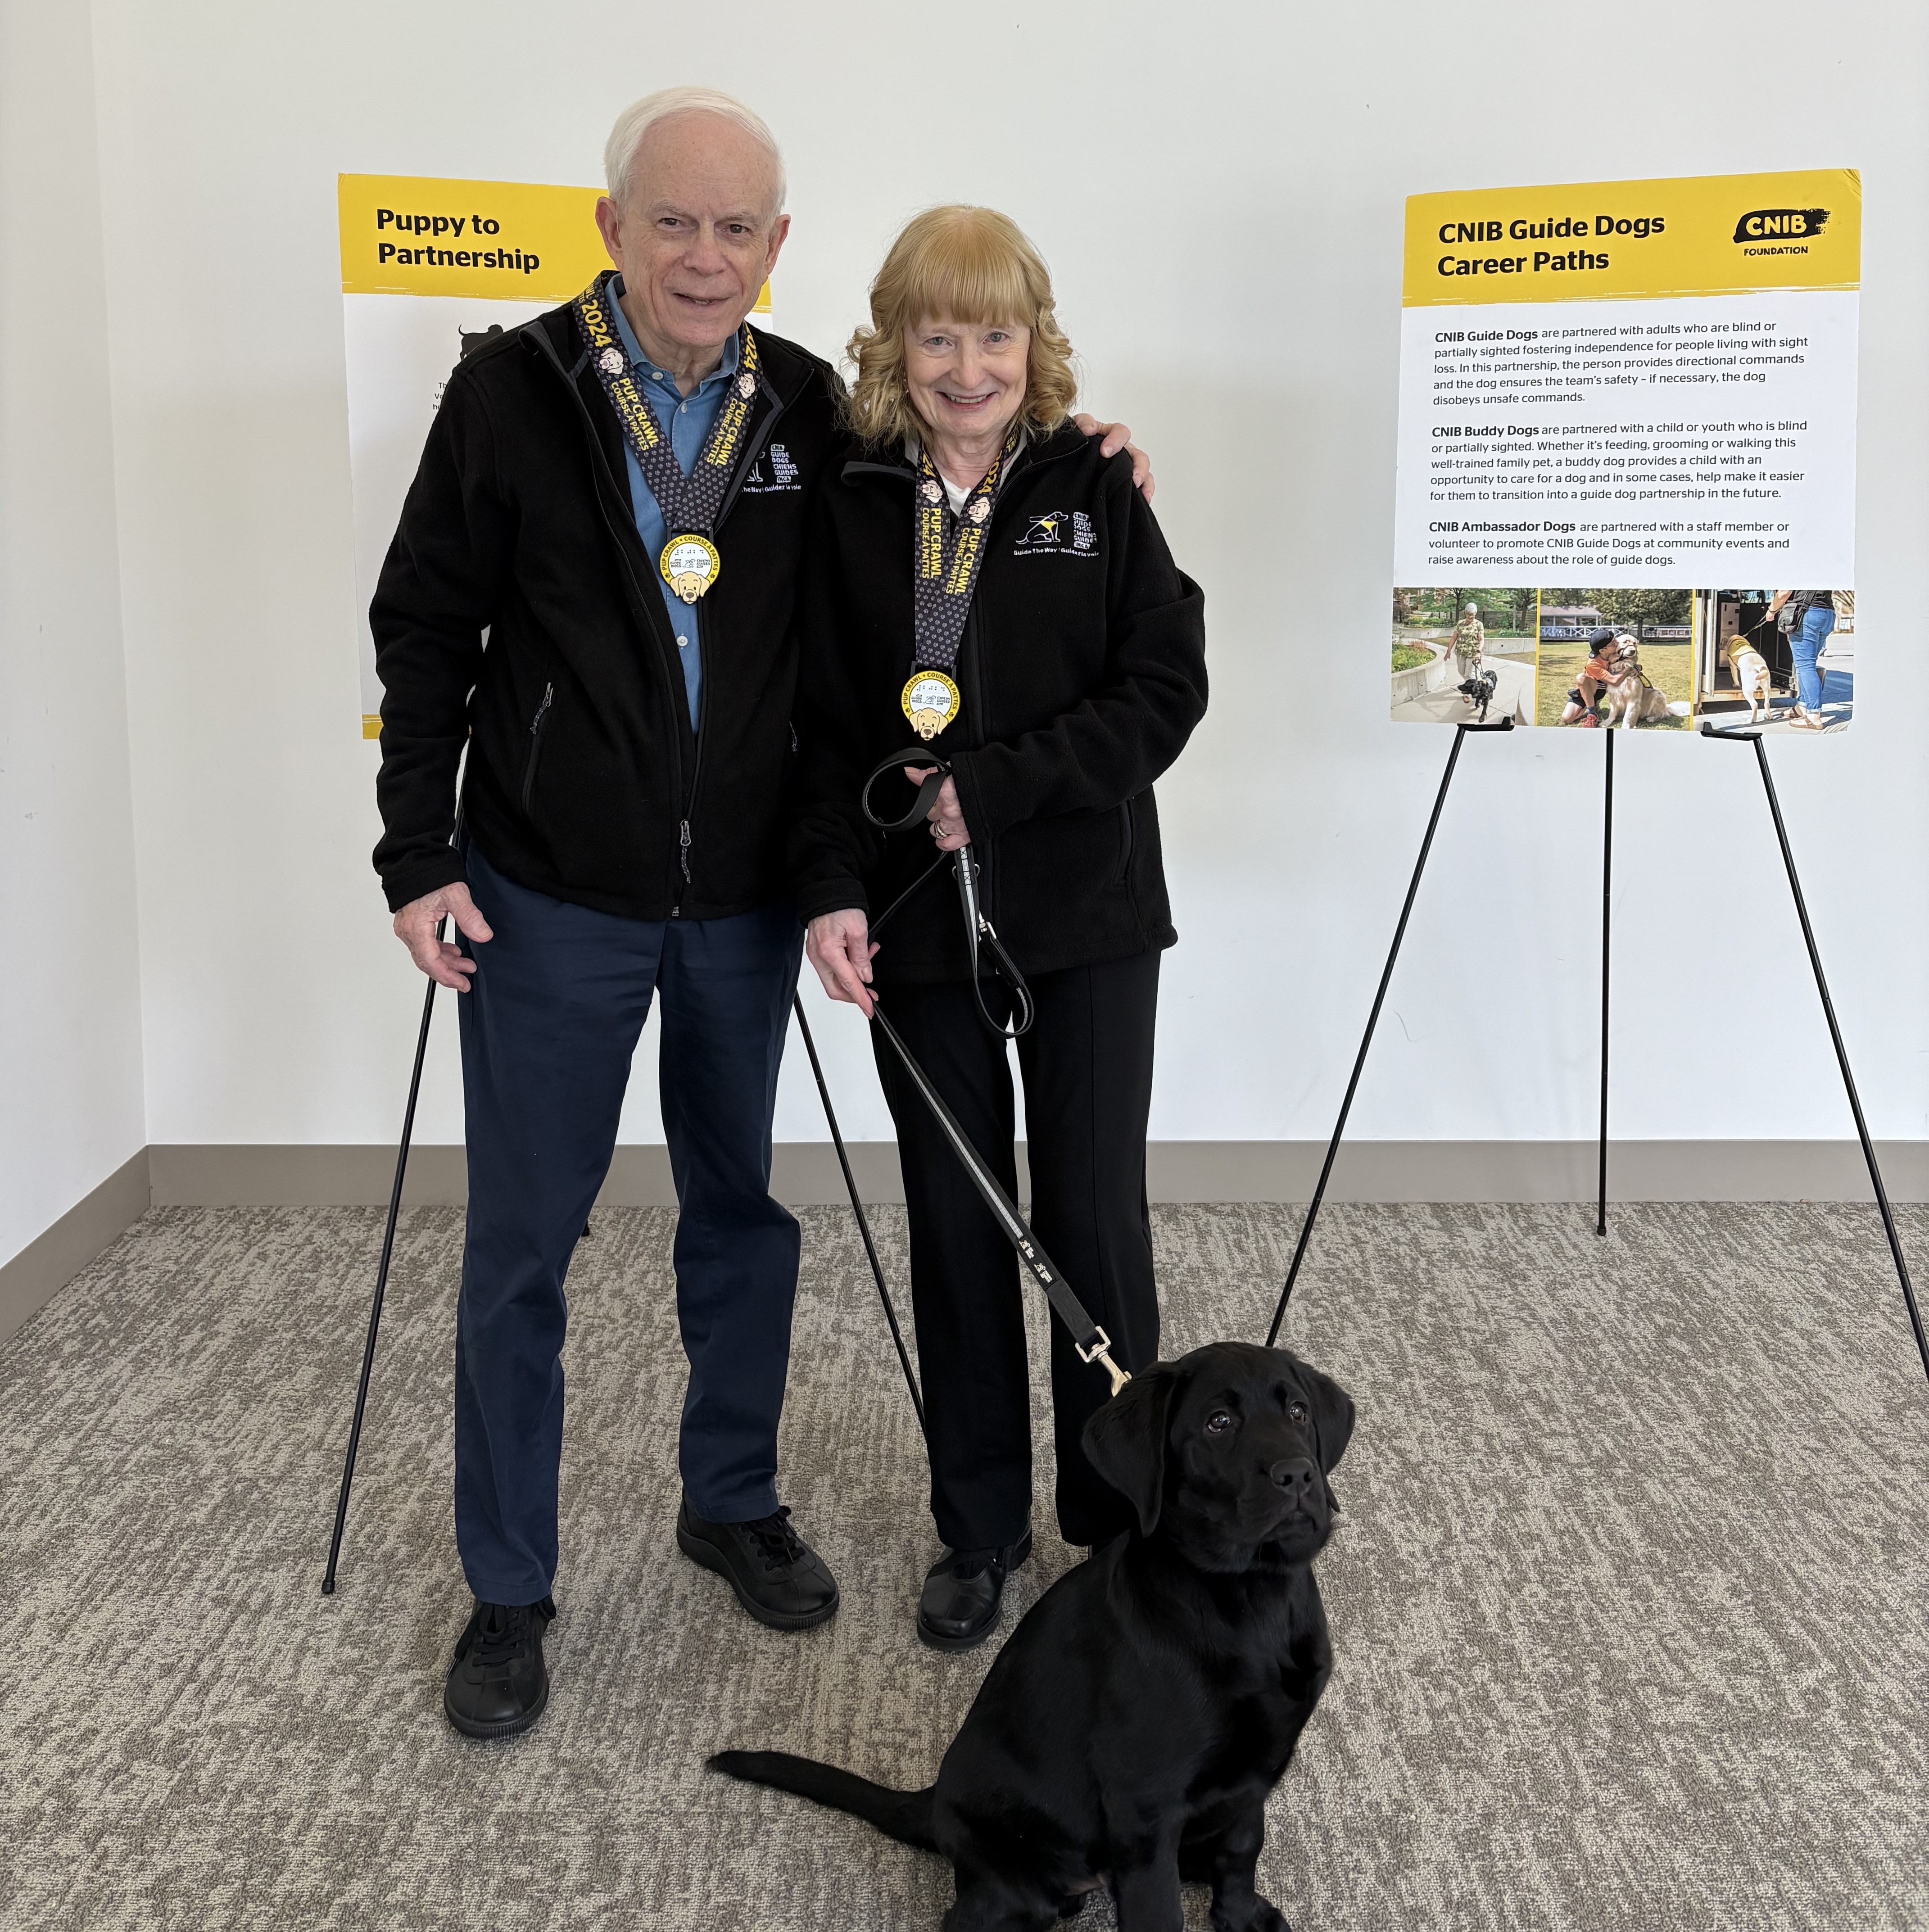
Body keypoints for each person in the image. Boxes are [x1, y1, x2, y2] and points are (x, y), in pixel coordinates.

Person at [371, 94, 1150, 1738]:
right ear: (613, 228)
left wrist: (1095, 460)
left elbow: (963, 502)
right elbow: (426, 621)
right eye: (673, 222)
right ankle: (507, 1589)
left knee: (742, 1221)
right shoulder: (507, 393)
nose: (704, 256)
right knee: (523, 1249)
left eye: (737, 229)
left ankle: (726, 1498)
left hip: (735, 901)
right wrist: (414, 850)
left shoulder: (814, 417)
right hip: (544, 895)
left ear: (776, 248)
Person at [793, 207, 1207, 1651]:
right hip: (916, 924)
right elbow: (821, 722)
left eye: (995, 331)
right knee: (958, 1231)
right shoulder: (846, 496)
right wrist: (834, 890)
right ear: (892, 341)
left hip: (1085, 915)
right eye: (937, 331)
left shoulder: (1094, 482)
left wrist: (1007, 786)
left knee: (1092, 1225)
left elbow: (1165, 690)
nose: (968, 365)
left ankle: (1110, 1529)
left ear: (1036, 342)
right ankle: (977, 1526)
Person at [1769, 589, 1836, 730]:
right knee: (1808, 664)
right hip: (1827, 614)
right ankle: (1802, 707)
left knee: (1805, 666)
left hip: (1808, 614)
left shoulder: (1798, 568)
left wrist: (1772, 611)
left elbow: (1783, 592)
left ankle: (1813, 716)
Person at [1450, 601, 1485, 695]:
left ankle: (1469, 692)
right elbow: (1454, 637)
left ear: (1476, 614)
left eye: (1473, 615)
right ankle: (1476, 684)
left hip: (1473, 654)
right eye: (1469, 614)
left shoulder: (1479, 625)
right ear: (1465, 613)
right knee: (1461, 671)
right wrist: (1448, 650)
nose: (1470, 616)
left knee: (1469, 674)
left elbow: (1482, 640)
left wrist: (1478, 652)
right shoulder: (1460, 623)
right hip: (1460, 652)